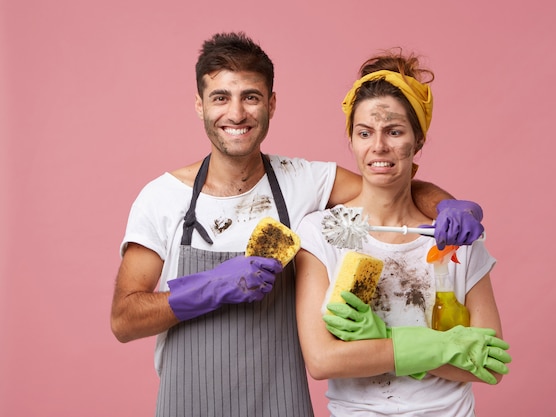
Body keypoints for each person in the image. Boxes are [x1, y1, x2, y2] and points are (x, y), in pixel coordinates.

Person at [110, 32, 486, 417]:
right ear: (199, 104)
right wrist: (212, 286)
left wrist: (449, 207)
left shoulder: (304, 180)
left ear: (271, 104)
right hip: (189, 403)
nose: (236, 113)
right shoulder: (163, 197)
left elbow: (389, 184)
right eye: (221, 97)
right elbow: (124, 319)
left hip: (281, 404)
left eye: (251, 97)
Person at [294, 49, 511, 416]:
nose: (378, 146)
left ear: (418, 140)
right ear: (351, 140)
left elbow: (489, 363)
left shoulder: (458, 239)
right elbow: (322, 360)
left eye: (394, 132)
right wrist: (442, 348)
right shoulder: (321, 234)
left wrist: (380, 340)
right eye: (365, 133)